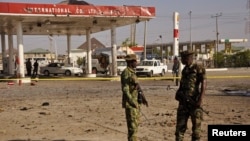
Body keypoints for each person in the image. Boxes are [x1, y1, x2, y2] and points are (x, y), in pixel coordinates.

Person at [175, 50, 207, 141]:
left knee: (196, 131)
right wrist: (178, 93)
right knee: (179, 129)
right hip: (183, 103)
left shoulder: (198, 67)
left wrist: (200, 99)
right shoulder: (185, 70)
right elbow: (182, 84)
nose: (182, 60)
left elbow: (204, 82)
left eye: (183, 58)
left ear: (188, 58)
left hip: (194, 102)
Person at [120, 54, 141, 141]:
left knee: (135, 127)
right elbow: (125, 90)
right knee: (132, 128)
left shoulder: (132, 72)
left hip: (135, 103)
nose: (136, 63)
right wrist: (132, 102)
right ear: (131, 62)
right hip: (131, 104)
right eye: (135, 61)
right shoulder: (126, 73)